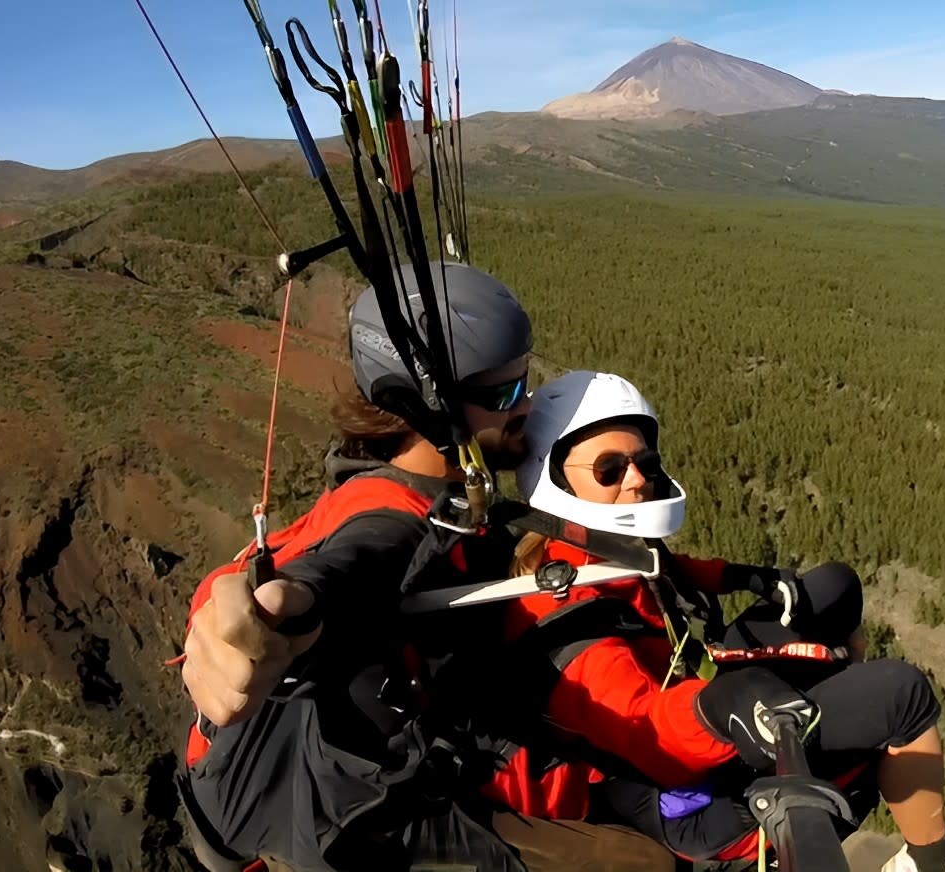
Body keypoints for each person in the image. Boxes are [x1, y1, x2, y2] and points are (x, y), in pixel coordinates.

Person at [176, 263, 673, 872]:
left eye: (525, 381)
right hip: (357, 817)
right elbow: (350, 566)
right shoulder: (394, 515)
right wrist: (281, 614)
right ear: (423, 405)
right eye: (502, 395)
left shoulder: (439, 486)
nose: (525, 405)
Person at [507, 371, 945, 872]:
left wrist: (747, 577)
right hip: (686, 799)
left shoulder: (597, 548)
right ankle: (935, 859)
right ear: (556, 481)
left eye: (644, 463)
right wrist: (719, 706)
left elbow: (669, 569)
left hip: (694, 711)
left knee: (831, 589)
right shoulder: (562, 610)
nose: (636, 479)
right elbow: (644, 731)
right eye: (609, 469)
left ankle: (843, 712)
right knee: (901, 693)